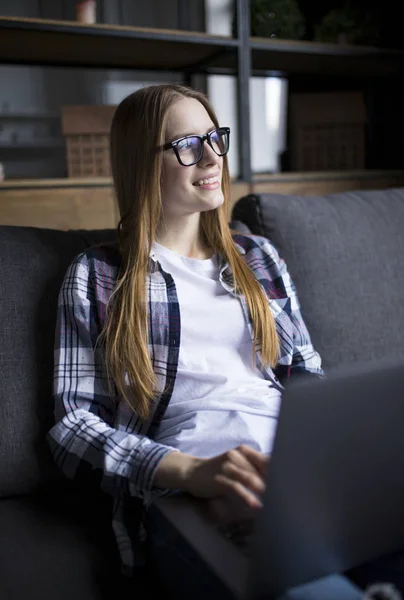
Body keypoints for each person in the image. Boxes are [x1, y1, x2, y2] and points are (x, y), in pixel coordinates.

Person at [47, 84, 372, 600]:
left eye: (215, 138)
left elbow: (308, 377)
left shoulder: (257, 257)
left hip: (298, 469)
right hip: (194, 484)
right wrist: (189, 471)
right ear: (141, 163)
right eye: (187, 144)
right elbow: (72, 427)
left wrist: (341, 449)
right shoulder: (99, 276)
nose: (212, 156)